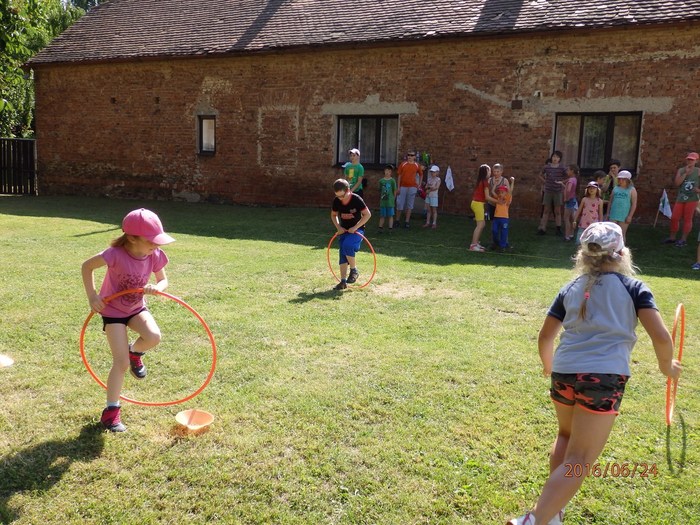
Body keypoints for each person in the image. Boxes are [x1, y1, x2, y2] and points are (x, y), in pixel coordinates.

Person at [507, 222, 681, 525]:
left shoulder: (570, 288)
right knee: (580, 460)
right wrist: (667, 367)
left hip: (564, 373)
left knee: (566, 436)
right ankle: (534, 519)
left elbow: (545, 336)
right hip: (603, 378)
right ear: (622, 253)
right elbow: (662, 338)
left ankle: (552, 515)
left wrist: (549, 365)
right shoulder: (634, 288)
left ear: (584, 255)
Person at [81, 208, 176, 432]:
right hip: (113, 311)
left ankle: (136, 352)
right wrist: (93, 296)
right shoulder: (115, 254)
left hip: (136, 308)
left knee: (153, 337)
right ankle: (111, 412)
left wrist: (157, 287)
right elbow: (87, 266)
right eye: (151, 240)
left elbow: (163, 280)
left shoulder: (154, 254)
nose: (156, 245)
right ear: (132, 238)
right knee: (120, 363)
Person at [331, 178, 371, 290]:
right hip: (344, 231)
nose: (340, 198)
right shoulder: (336, 201)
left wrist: (355, 227)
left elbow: (367, 214)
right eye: (337, 196)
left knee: (347, 245)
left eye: (342, 196)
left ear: (348, 190)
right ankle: (343, 281)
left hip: (357, 231)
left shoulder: (356, 199)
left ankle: (354, 270)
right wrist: (338, 227)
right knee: (342, 254)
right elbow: (333, 215)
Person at [663, 151, 700, 247]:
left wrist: (698, 190)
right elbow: (677, 183)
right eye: (688, 159)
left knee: (688, 218)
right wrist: (685, 173)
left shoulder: (698, 171)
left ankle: (683, 239)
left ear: (696, 161)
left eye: (692, 160)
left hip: (692, 198)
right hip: (681, 197)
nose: (690, 161)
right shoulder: (681, 170)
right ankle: (672, 237)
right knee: (674, 217)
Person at [537, 151, 567, 235]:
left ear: (559, 159)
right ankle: (543, 228)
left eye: (557, 157)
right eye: (554, 156)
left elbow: (568, 176)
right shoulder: (547, 167)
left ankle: (558, 228)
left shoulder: (562, 168)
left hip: (558, 191)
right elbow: (540, 175)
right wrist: (545, 181)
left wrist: (562, 182)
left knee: (557, 211)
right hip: (548, 191)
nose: (555, 158)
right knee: (546, 210)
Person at [605, 170, 637, 242]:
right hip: (613, 214)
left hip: (624, 215)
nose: (620, 181)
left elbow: (634, 204)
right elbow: (610, 202)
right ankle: (611, 247)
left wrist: (630, 216)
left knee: (621, 234)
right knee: (611, 233)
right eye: (619, 179)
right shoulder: (615, 188)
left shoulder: (632, 190)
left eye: (623, 179)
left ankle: (621, 248)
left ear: (628, 180)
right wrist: (608, 213)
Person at [485, 163, 511, 248]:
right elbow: (487, 190)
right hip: (492, 203)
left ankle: (505, 242)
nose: (496, 173)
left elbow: (509, 192)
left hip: (502, 205)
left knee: (503, 224)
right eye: (494, 171)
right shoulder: (490, 180)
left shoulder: (505, 180)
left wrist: (508, 201)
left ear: (501, 171)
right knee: (493, 223)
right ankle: (493, 242)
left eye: (498, 171)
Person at [396, 151, 424, 228]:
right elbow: (399, 176)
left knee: (409, 205)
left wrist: (419, 185)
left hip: (412, 187)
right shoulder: (403, 164)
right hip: (403, 187)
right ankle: (397, 220)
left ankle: (407, 222)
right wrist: (398, 187)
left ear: (414, 157)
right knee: (399, 204)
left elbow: (421, 174)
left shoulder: (417, 165)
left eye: (412, 155)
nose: (410, 157)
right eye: (408, 155)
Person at [487, 177, 515, 251]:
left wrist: (512, 182)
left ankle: (502, 246)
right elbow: (492, 191)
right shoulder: (498, 198)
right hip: (496, 218)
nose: (500, 193)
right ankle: (496, 243)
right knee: (494, 231)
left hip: (504, 219)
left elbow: (511, 191)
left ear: (506, 193)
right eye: (499, 192)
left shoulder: (507, 199)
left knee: (504, 232)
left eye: (502, 192)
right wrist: (495, 184)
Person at [469, 164, 490, 252]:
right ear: (486, 172)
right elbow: (487, 197)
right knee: (480, 225)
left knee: (482, 224)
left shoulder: (481, 181)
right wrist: (498, 201)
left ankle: (476, 242)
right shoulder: (485, 182)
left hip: (476, 203)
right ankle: (473, 245)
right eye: (489, 171)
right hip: (478, 204)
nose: (490, 172)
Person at [559, 164, 579, 241]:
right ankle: (571, 234)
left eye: (568, 170)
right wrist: (563, 184)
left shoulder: (570, 180)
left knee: (566, 218)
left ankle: (567, 236)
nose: (567, 171)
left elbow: (568, 190)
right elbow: (569, 189)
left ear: (572, 171)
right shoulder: (575, 179)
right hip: (573, 200)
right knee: (571, 219)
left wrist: (566, 198)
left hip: (569, 200)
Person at [378, 164, 397, 233]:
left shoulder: (392, 181)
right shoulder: (381, 181)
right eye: (386, 170)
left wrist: (393, 199)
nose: (387, 172)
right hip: (383, 201)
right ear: (384, 171)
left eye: (389, 171)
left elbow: (394, 190)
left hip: (390, 201)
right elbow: (380, 190)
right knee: (382, 215)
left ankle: (390, 228)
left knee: (390, 215)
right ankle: (380, 228)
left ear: (391, 172)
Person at [423, 165, 441, 229]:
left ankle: (434, 223)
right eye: (431, 172)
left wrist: (429, 189)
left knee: (434, 210)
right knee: (428, 210)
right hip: (428, 196)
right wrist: (428, 188)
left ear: (437, 172)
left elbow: (436, 187)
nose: (432, 173)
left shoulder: (438, 179)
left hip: (434, 196)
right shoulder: (429, 179)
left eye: (434, 172)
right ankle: (427, 222)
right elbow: (426, 186)